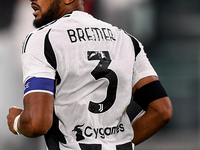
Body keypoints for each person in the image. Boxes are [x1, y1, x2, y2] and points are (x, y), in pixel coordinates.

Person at [7, 0, 173, 149]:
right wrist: (117, 144)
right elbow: (161, 110)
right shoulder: (127, 40)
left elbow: (36, 123)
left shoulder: (42, 39)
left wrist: (18, 123)